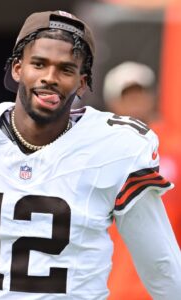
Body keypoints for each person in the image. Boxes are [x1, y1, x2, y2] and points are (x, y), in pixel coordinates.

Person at [0, 10, 181, 300]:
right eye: (39, 64)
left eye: (66, 69)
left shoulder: (115, 148)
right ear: (17, 68)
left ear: (83, 82)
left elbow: (162, 265)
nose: (50, 77)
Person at [103, 61, 181, 299]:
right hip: (114, 284)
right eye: (127, 97)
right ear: (113, 104)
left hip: (168, 284)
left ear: (152, 97)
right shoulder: (102, 152)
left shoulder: (176, 147)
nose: (135, 104)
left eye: (140, 95)